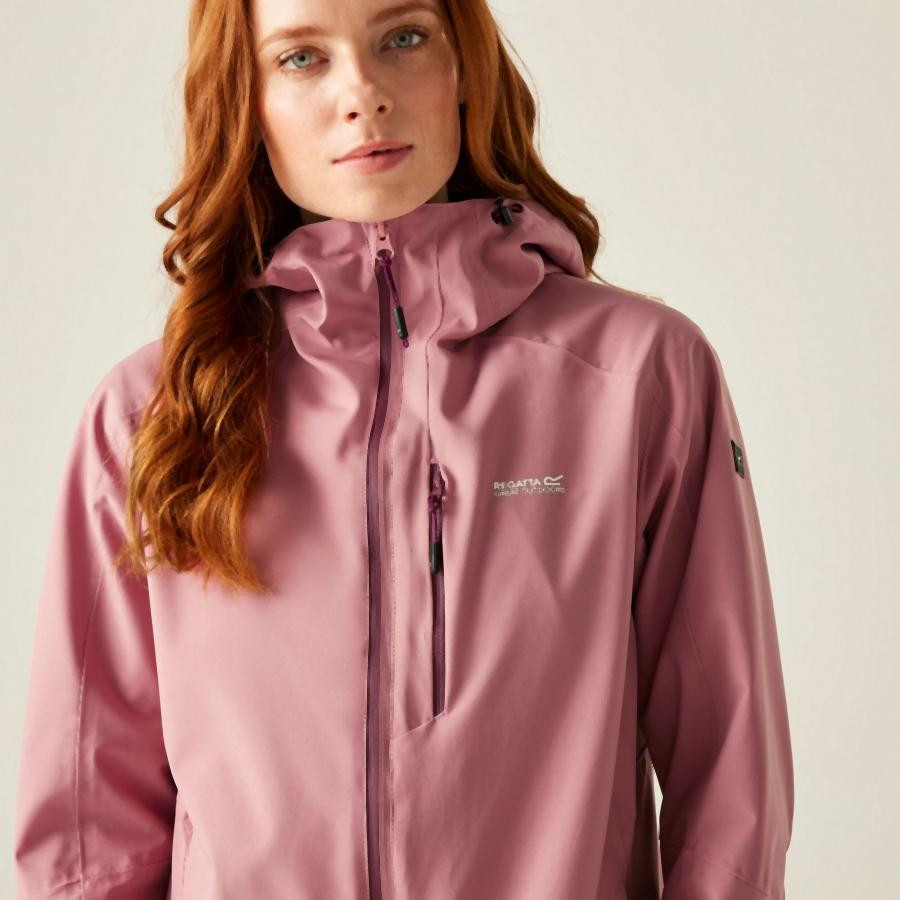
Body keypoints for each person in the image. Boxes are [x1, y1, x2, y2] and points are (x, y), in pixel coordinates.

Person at [12, 0, 794, 897]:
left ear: (462, 66)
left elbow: (729, 771)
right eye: (301, 58)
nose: (363, 93)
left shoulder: (634, 374)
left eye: (404, 38)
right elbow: (91, 821)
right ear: (247, 99)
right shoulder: (152, 411)